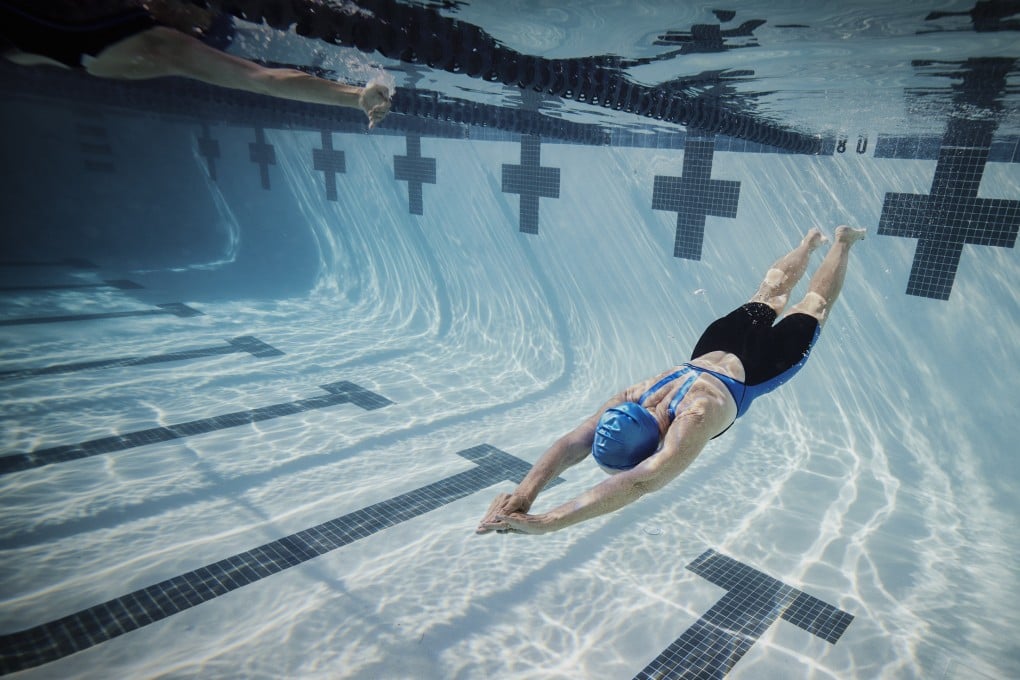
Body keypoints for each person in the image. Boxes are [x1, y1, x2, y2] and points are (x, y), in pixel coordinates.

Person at [477, 226, 866, 536]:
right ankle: (808, 242)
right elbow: (572, 442)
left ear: (647, 450)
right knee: (770, 291)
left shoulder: (695, 418)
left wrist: (551, 522)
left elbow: (637, 484)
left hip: (760, 367)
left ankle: (842, 242)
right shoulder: (631, 397)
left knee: (813, 305)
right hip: (716, 341)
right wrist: (524, 494)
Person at [0, 0, 391, 128]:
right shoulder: (129, 30)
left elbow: (263, 80)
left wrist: (355, 96)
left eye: (199, 16)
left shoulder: (161, 47)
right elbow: (30, 52)